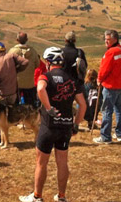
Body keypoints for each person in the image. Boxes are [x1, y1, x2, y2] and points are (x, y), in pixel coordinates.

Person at [19, 47, 86, 202]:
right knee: (62, 161)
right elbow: (82, 105)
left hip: (49, 126)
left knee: (41, 162)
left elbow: (41, 88)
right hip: (66, 125)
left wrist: (49, 108)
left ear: (48, 62)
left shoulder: (46, 76)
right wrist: (76, 124)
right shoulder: (71, 79)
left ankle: (37, 196)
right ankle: (61, 196)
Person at [93, 30, 121, 144]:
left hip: (110, 85)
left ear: (115, 39)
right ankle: (119, 134)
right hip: (120, 84)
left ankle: (105, 137)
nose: (106, 41)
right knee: (118, 110)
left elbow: (104, 69)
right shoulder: (120, 50)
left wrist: (99, 79)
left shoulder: (110, 53)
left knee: (107, 111)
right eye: (105, 39)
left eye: (108, 39)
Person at [0, 42, 29, 106]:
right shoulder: (11, 56)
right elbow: (25, 62)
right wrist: (17, 70)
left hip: (1, 95)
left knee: (2, 115)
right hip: (13, 94)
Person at [8, 32, 40, 106]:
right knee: (30, 105)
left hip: (16, 83)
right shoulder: (33, 51)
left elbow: (8, 66)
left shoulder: (12, 51)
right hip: (29, 83)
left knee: (14, 105)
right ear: (27, 39)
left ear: (17, 40)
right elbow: (37, 65)